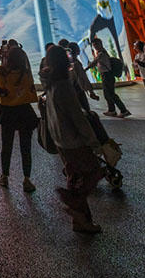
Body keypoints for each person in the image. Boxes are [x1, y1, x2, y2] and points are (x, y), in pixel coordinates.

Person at [41, 45, 105, 232]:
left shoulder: (49, 83)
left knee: (75, 175)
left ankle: (82, 221)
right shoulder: (63, 85)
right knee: (94, 172)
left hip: (59, 138)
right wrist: (93, 141)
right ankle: (74, 204)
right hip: (73, 140)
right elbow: (77, 117)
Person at [0, 44, 38, 192]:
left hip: (7, 113)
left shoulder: (0, 72)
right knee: (26, 148)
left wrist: (0, 55)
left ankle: (4, 176)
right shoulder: (26, 74)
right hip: (24, 112)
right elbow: (31, 92)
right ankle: (27, 179)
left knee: (6, 146)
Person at [86, 37, 129, 117]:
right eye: (94, 45)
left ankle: (123, 110)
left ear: (100, 44)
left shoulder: (101, 53)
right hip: (106, 75)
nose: (95, 46)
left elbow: (94, 63)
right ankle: (112, 110)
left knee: (111, 94)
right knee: (107, 94)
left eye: (96, 44)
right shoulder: (101, 53)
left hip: (107, 75)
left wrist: (85, 69)